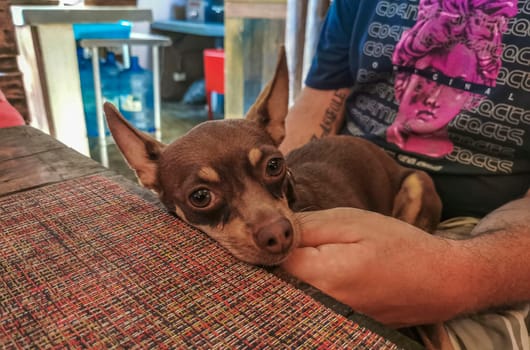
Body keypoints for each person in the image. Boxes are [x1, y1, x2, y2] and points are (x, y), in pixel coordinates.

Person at [278, 0, 530, 349]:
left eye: (448, 84)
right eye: (422, 80)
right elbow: (315, 111)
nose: (424, 96)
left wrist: (455, 278)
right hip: (349, 190)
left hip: (489, 236)